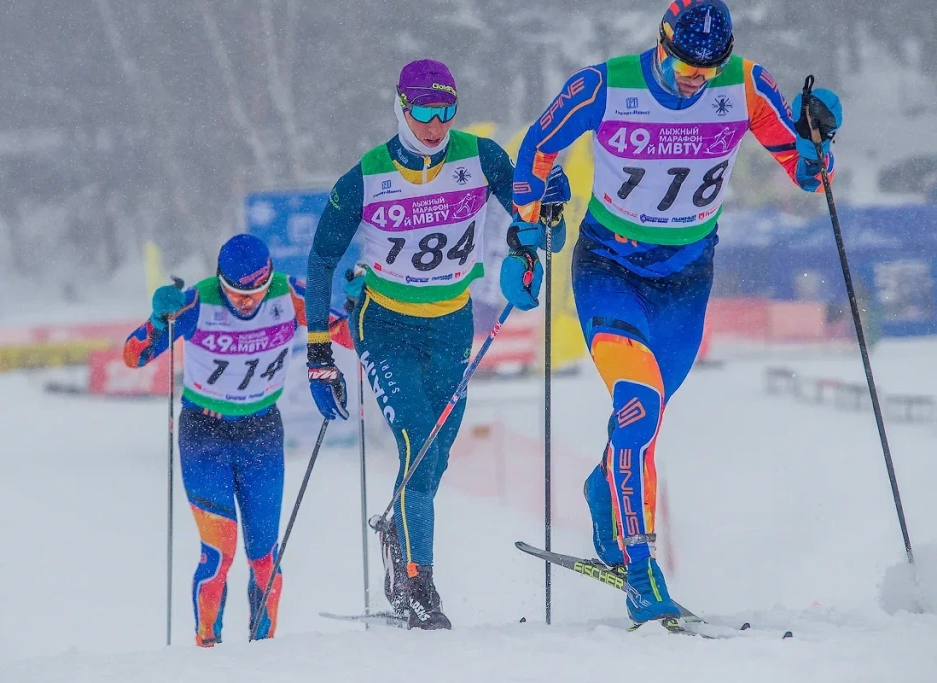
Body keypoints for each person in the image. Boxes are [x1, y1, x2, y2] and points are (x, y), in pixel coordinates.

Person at [501, 0, 842, 629]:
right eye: (687, 64)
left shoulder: (742, 84)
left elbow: (803, 170)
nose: (696, 78)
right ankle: (640, 569)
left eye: (708, 67)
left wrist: (819, 142)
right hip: (610, 269)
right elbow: (536, 148)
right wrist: (525, 233)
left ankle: (606, 490)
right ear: (662, 43)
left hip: (686, 280)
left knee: (646, 424)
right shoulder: (605, 86)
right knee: (638, 405)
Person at [303, 58, 569, 630]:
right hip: (386, 327)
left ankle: (398, 533)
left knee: (435, 460)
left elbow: (529, 213)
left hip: (453, 324)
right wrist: (320, 353)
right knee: (417, 448)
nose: (434, 124)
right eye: (423, 110)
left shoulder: (479, 157)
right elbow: (322, 257)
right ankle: (419, 586)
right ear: (401, 107)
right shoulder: (367, 176)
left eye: (445, 110)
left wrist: (542, 220)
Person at [124, 234, 352, 646]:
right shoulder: (198, 302)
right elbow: (134, 356)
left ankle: (261, 653)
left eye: (255, 295)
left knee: (266, 558)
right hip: (204, 435)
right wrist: (158, 320)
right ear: (219, 282)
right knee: (218, 556)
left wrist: (361, 307)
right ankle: (207, 650)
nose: (246, 304)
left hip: (260, 432)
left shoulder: (289, 294)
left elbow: (349, 335)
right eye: (236, 295)